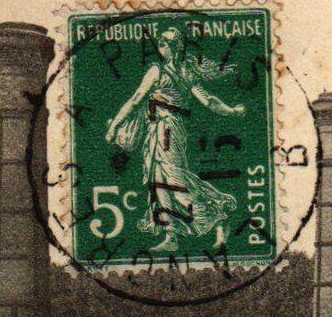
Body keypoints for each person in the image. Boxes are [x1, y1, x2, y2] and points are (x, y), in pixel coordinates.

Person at [104, 27, 246, 253]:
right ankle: (171, 234)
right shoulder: (180, 72)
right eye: (162, 42)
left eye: (167, 42)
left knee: (173, 180)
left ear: (176, 46)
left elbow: (136, 99)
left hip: (167, 130)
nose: (163, 46)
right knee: (158, 179)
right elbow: (209, 101)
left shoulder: (163, 71)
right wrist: (232, 111)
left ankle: (218, 218)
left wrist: (114, 126)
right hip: (161, 130)